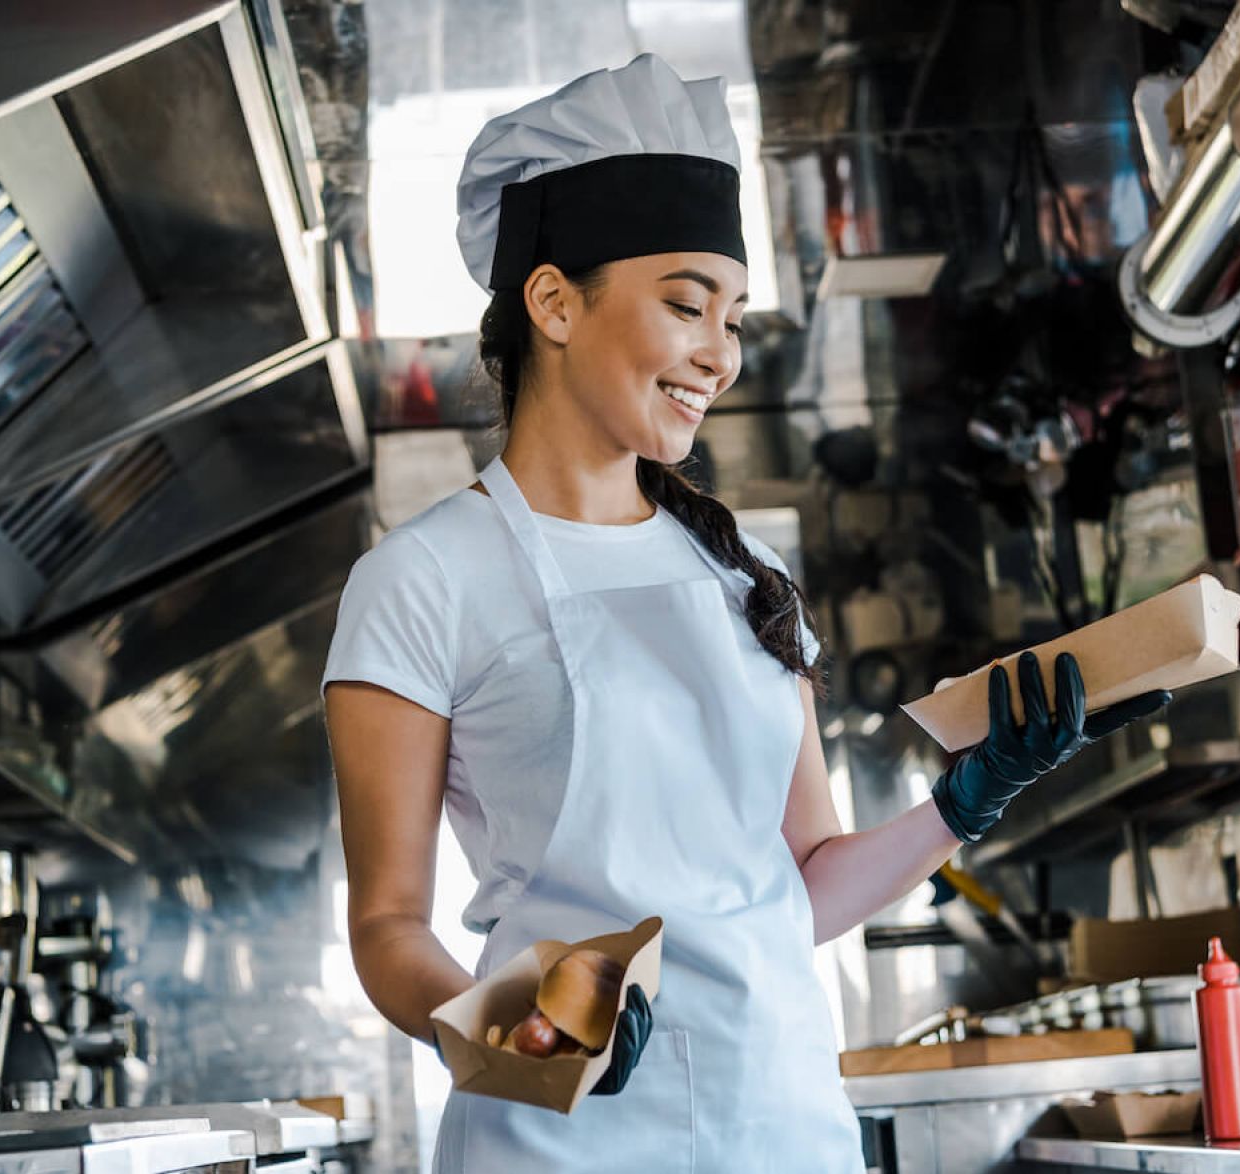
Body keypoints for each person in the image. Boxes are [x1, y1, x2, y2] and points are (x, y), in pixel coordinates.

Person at [321, 53, 1170, 1173]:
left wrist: (962, 804)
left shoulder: (744, 574)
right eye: (685, 306)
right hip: (551, 1141)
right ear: (552, 301)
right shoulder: (421, 580)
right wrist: (502, 1032)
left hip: (778, 1130)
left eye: (731, 315)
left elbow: (797, 888)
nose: (719, 354)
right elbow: (387, 925)